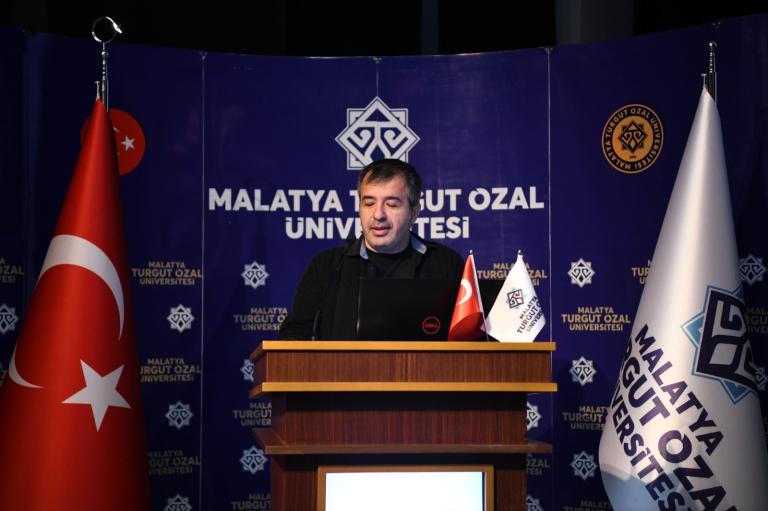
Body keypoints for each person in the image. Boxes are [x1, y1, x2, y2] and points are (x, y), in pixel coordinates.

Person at [277, 158, 465, 340]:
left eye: (391, 204)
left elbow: (470, 335)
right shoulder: (327, 266)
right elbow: (295, 333)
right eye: (369, 204)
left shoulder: (446, 263)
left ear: (414, 212)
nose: (378, 214)